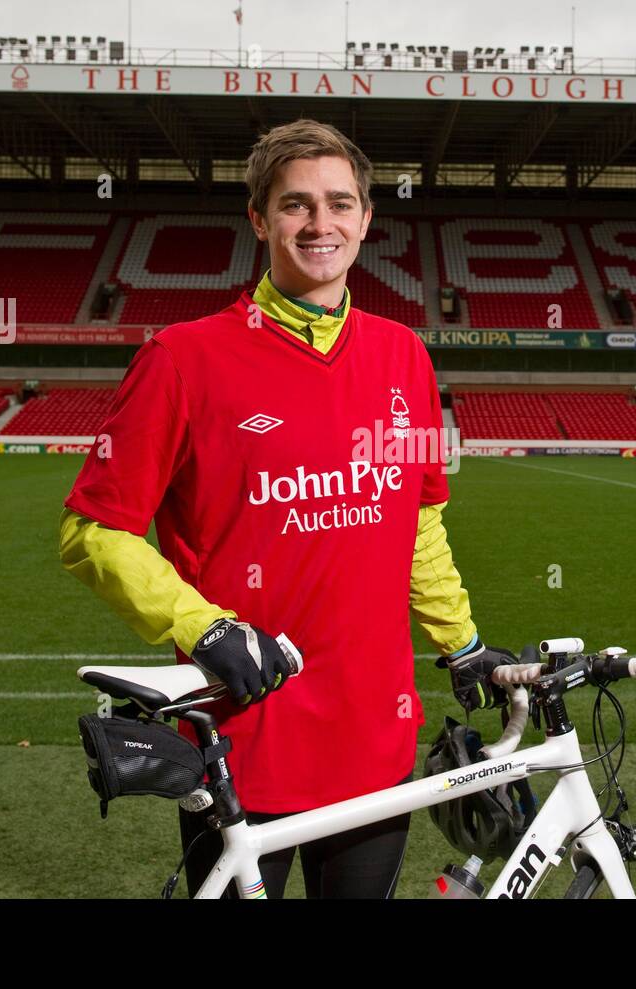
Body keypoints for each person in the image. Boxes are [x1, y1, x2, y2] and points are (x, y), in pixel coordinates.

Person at [59, 119, 516, 899]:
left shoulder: (404, 353)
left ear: (367, 219)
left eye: (339, 203)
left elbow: (419, 524)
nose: (320, 223)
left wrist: (461, 639)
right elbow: (93, 530)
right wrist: (202, 626)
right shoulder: (183, 358)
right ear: (260, 220)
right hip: (247, 740)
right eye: (296, 205)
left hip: (375, 738)